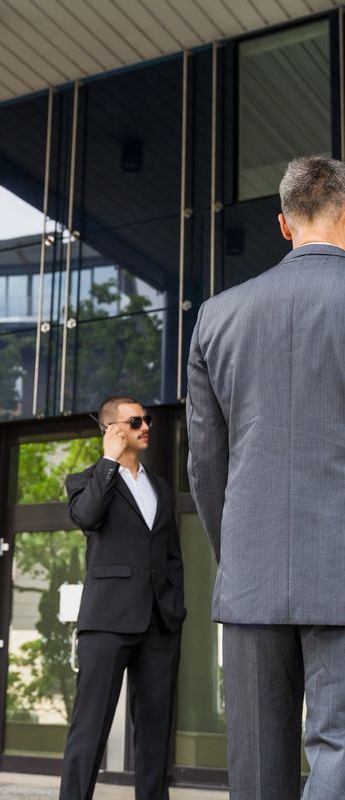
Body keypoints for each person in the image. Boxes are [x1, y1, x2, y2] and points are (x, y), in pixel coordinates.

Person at [186, 156, 345, 799]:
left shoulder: (217, 315)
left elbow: (205, 463)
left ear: (283, 225)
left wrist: (240, 556)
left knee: (255, 768)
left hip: (251, 574)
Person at [59, 396, 186, 800]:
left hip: (159, 624)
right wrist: (108, 463)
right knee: (90, 727)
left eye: (146, 419)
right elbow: (87, 516)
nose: (145, 426)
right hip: (107, 622)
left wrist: (176, 608)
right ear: (112, 429)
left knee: (154, 733)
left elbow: (171, 556)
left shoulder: (161, 488)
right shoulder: (87, 480)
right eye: (134, 421)